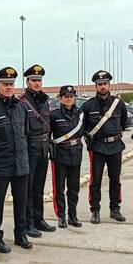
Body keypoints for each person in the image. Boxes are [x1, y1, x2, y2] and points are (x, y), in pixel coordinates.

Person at [0, 67, 33, 253]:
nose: (8, 87)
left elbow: (26, 133)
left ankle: (20, 234)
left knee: (21, 202)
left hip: (21, 163)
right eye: (5, 84)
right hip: (1, 163)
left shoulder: (21, 107)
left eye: (11, 84)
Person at [81, 70, 128, 224]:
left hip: (115, 146)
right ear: (95, 86)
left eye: (105, 84)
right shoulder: (88, 106)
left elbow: (123, 124)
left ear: (109, 85)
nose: (102, 87)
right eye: (99, 84)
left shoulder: (119, 104)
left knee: (115, 180)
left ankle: (115, 209)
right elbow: (84, 128)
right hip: (98, 148)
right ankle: (95, 210)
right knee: (95, 181)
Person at [20, 64, 56, 236]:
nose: (37, 83)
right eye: (34, 80)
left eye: (39, 80)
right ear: (27, 81)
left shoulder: (44, 100)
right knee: (28, 189)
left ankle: (38, 219)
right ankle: (28, 223)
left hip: (43, 147)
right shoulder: (22, 101)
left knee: (39, 187)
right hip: (29, 148)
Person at [49, 85, 84, 228]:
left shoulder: (80, 114)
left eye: (71, 96)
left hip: (76, 153)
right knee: (59, 187)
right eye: (65, 97)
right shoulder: (55, 115)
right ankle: (61, 216)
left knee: (74, 187)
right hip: (61, 155)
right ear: (60, 98)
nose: (69, 99)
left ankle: (72, 216)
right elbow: (48, 134)